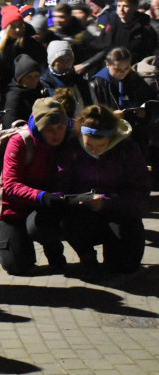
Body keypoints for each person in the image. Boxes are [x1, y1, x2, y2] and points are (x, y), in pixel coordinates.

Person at [56, 105, 149, 280]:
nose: (94, 150)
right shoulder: (72, 147)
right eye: (89, 144)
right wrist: (72, 198)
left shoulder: (127, 149)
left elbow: (140, 190)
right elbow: (62, 182)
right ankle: (87, 256)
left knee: (126, 266)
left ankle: (115, 250)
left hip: (118, 210)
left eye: (101, 145)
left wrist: (107, 201)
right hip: (82, 211)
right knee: (68, 221)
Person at [0, 98, 75, 275]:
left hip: (43, 203)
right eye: (49, 129)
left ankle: (52, 247)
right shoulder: (21, 141)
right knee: (17, 266)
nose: (56, 134)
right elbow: (10, 185)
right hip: (10, 206)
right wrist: (42, 196)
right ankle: (2, 239)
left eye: (60, 127)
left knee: (43, 224)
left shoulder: (71, 139)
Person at [0, 54, 47, 129]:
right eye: (29, 77)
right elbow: (10, 124)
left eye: (36, 76)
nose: (33, 80)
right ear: (20, 79)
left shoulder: (41, 92)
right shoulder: (14, 97)